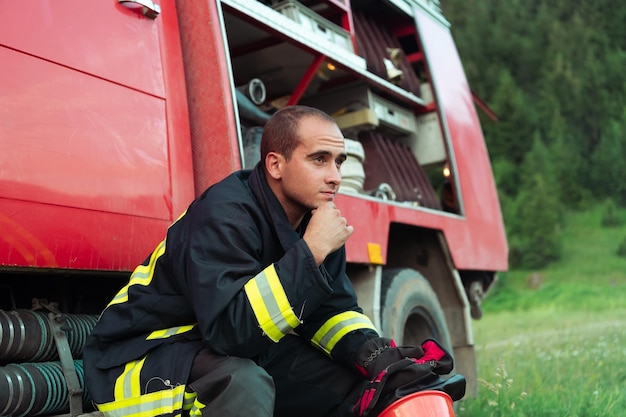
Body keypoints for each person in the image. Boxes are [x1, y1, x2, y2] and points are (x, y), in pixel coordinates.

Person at [83, 105, 451, 417]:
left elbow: (331, 312)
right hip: (137, 361)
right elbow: (230, 332)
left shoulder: (314, 219)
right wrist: (310, 254)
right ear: (275, 164)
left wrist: (374, 356)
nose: (335, 177)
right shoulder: (224, 214)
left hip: (211, 351)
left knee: (359, 386)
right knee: (244, 384)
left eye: (339, 162)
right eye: (319, 160)